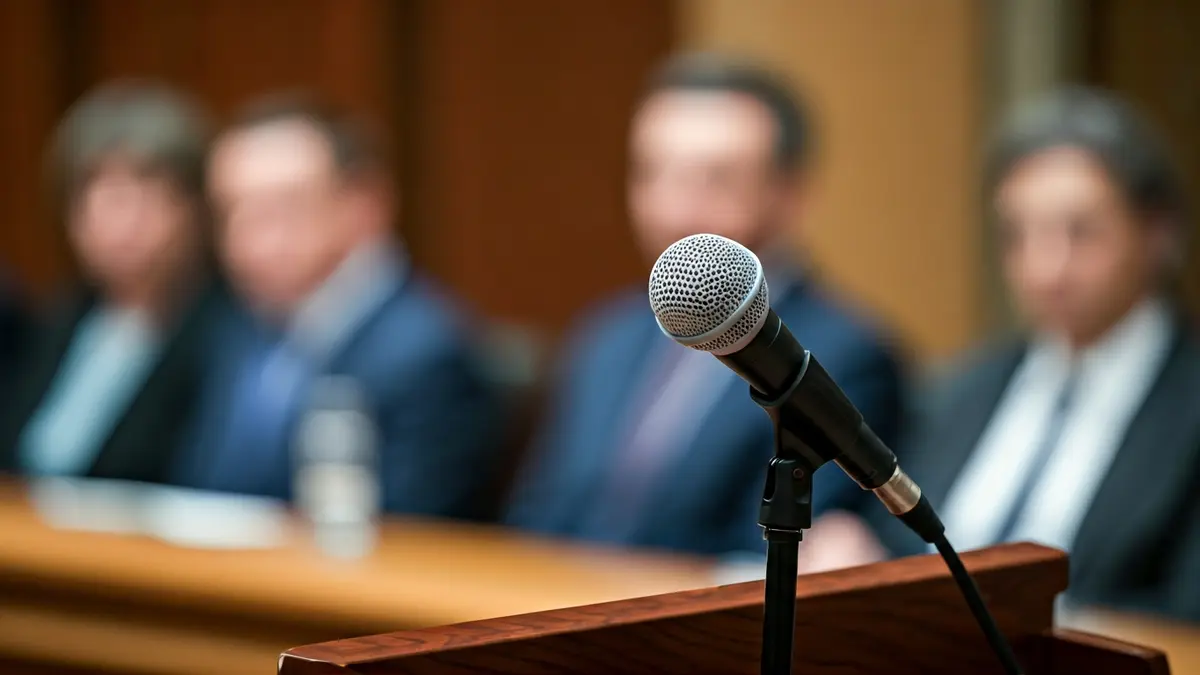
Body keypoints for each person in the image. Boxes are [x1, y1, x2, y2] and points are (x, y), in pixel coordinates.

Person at [813, 87, 1200, 614]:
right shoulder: (962, 389)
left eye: (1081, 232)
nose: (1046, 269)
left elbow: (1182, 615)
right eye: (1020, 235)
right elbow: (901, 540)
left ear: (1157, 233)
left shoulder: (1187, 401)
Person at [505, 54, 905, 555]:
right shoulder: (608, 332)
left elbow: (777, 553)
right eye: (652, 174)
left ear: (789, 193)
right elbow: (534, 519)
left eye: (714, 178)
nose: (674, 207)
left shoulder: (845, 353)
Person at [172, 97, 502, 519]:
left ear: (364, 206)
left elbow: (405, 539)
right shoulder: (236, 332)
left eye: (282, 208)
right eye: (231, 211)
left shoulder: (426, 353)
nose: (245, 236)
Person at [0, 82, 222, 482]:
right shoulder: (56, 318)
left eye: (143, 196)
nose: (121, 224)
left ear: (195, 208)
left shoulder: (225, 333)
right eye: (99, 198)